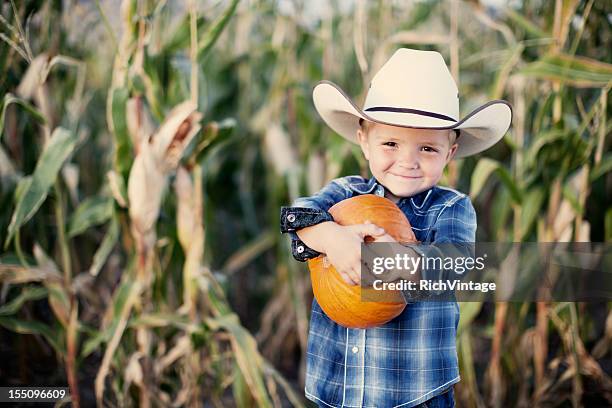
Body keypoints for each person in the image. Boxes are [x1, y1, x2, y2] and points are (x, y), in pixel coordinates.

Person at [280, 48, 512, 408]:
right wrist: (334, 239)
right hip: (338, 384)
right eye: (391, 143)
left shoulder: (451, 207)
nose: (408, 161)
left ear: (450, 153)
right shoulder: (344, 193)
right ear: (364, 141)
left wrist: (394, 259)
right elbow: (296, 217)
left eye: (427, 149)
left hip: (413, 392)